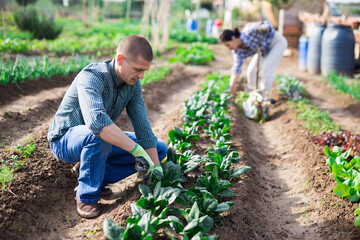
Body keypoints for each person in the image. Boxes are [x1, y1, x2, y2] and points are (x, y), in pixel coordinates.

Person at [47, 35, 168, 219]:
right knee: (98, 135)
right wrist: (136, 150)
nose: (141, 76)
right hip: (65, 139)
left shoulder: (132, 86)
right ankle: (87, 195)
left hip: (96, 139)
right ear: (120, 59)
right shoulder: (92, 77)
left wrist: (156, 169)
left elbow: (142, 127)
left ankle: (91, 174)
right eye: (138, 69)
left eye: (145, 71)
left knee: (159, 149)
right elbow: (97, 124)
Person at [219, 20, 288, 97]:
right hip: (264, 49)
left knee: (266, 69)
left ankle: (264, 97)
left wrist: (265, 28)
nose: (229, 48)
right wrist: (230, 89)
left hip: (276, 43)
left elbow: (267, 23)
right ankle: (253, 94)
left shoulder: (248, 32)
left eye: (228, 45)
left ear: (233, 38)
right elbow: (236, 70)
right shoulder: (238, 52)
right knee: (251, 71)